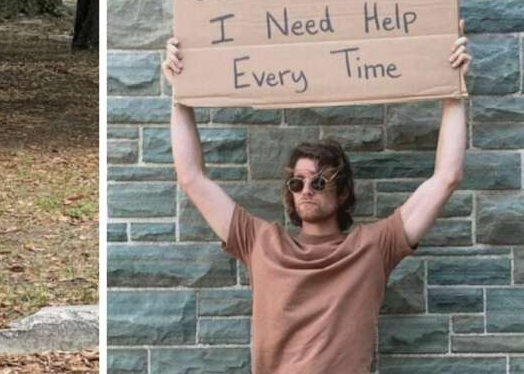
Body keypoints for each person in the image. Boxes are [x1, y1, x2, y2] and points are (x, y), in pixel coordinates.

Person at [162, 20, 472, 374]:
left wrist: (453, 89)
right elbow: (191, 177)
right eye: (297, 184)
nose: (306, 190)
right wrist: (180, 93)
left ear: (342, 192)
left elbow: (447, 177)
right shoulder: (260, 242)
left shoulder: (374, 246)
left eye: (319, 183)